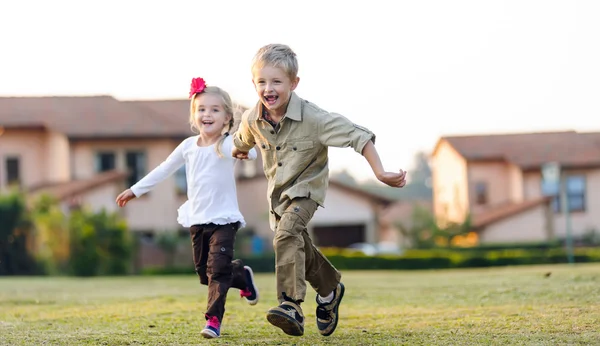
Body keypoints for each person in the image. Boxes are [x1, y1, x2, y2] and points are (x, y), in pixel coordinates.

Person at [232, 44, 407, 337]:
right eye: (262, 82)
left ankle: (290, 305)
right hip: (278, 197)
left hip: (307, 193)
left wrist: (380, 172)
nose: (268, 88)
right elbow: (240, 141)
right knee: (297, 244)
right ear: (254, 84)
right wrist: (236, 150)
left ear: (293, 83)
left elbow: (358, 136)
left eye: (276, 81)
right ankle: (329, 290)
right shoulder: (253, 118)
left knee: (286, 235)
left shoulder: (315, 119)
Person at [116, 77, 259, 339]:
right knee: (206, 275)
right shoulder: (187, 147)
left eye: (215, 110)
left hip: (224, 220)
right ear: (195, 115)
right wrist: (135, 190)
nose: (208, 114)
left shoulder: (226, 144)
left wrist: (246, 152)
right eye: (202, 109)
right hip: (198, 218)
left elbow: (247, 151)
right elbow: (163, 169)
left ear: (227, 117)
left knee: (216, 272)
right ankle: (241, 275)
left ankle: (213, 320)